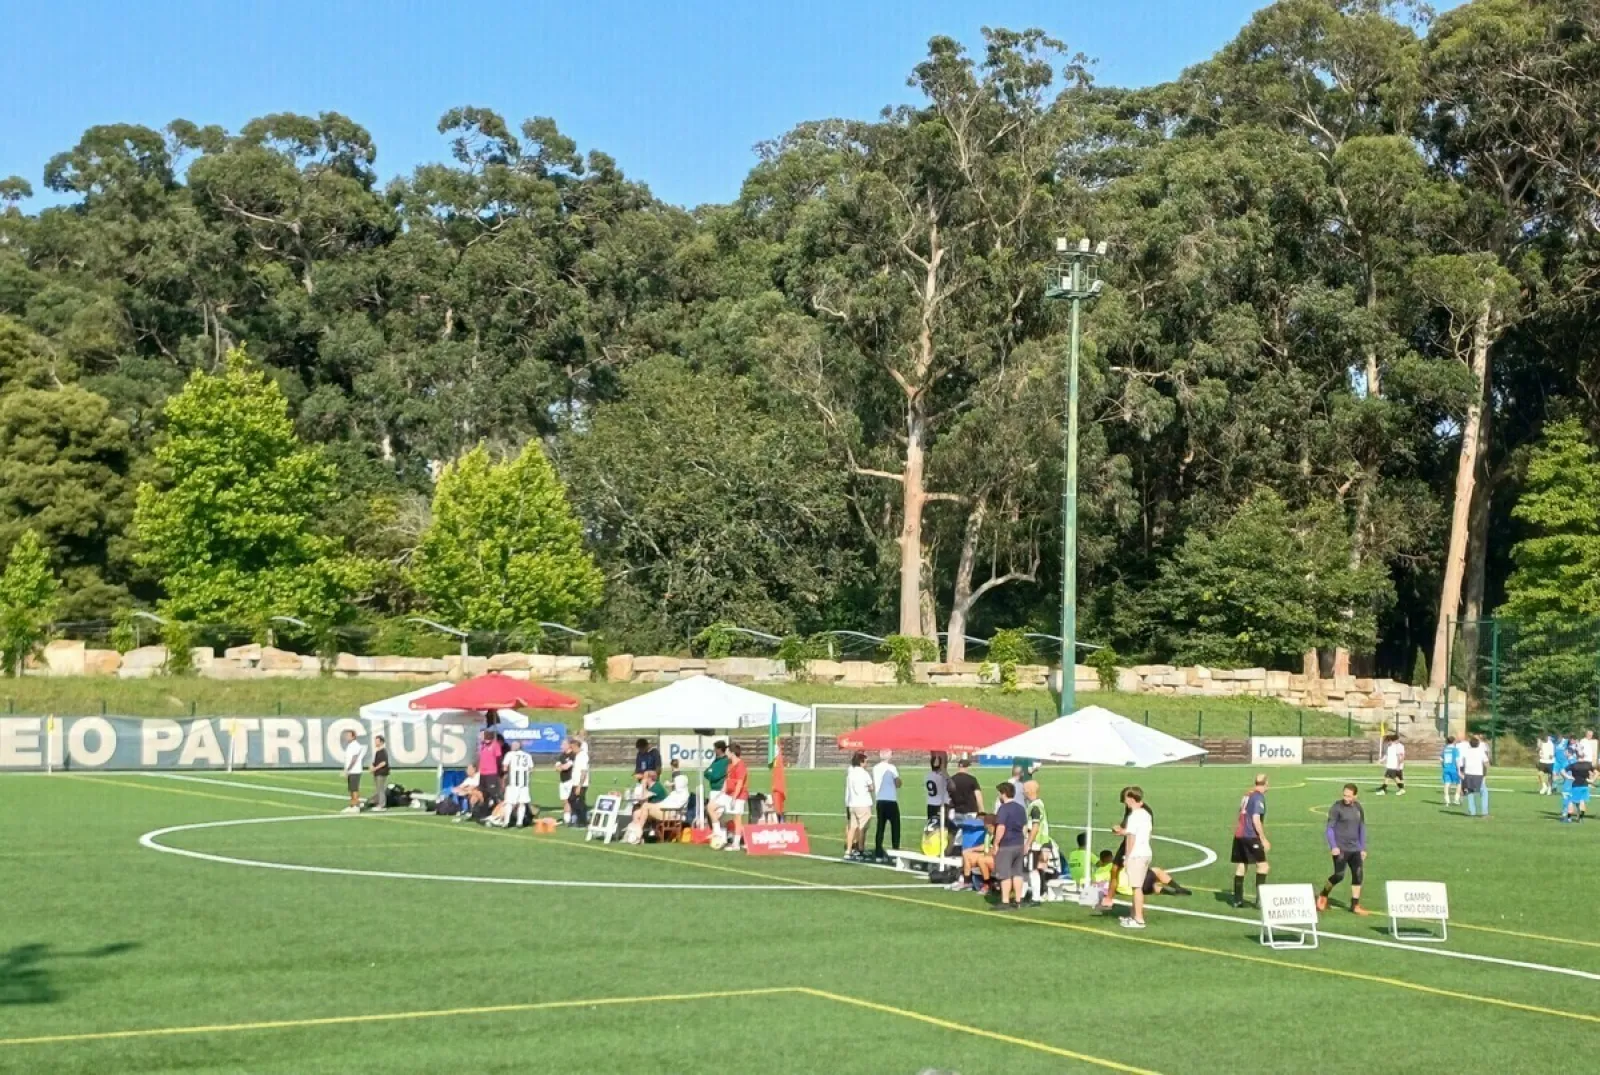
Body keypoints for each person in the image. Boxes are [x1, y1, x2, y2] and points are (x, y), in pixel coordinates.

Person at [1317, 784, 1370, 914]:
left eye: (1349, 796)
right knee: (1339, 875)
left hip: (1355, 848)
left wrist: (1363, 848)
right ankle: (1323, 894)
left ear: (1355, 796)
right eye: (1344, 795)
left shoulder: (1358, 808)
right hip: (1341, 849)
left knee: (1358, 875)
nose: (1346, 798)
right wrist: (1334, 846)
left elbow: (1362, 828)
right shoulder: (1337, 808)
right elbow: (1330, 828)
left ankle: (1355, 905)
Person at [1229, 774, 1271, 909]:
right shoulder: (1258, 797)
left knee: (1242, 865)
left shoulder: (1247, 794)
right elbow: (1255, 819)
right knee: (1263, 866)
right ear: (1265, 783)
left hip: (1239, 835)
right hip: (1250, 836)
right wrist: (1263, 839)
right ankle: (1260, 901)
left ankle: (1237, 900)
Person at [1120, 787, 1153, 929]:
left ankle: (1139, 919)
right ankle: (1133, 915)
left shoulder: (1134, 816)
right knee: (1136, 886)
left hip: (1136, 854)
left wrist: (1127, 857)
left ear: (1131, 799)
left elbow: (1131, 837)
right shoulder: (1146, 814)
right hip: (1145, 852)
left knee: (1136, 887)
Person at [992, 782, 1027, 912]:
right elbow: (1024, 827)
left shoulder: (1003, 809)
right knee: (1017, 873)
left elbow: (1001, 827)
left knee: (1005, 874)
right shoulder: (1021, 808)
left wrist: (996, 843)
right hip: (1019, 843)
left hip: (1007, 844)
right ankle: (1018, 900)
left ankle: (1005, 901)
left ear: (1004, 793)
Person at [1021, 780, 1053, 905]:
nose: (1023, 792)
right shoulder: (1035, 805)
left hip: (1036, 844)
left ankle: (1035, 898)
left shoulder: (1035, 807)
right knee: (1026, 869)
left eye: (1024, 789)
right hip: (1036, 842)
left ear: (1030, 790)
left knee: (1032, 870)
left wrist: (1028, 843)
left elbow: (1035, 827)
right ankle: (1022, 896)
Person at [844, 751, 875, 860]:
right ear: (861, 762)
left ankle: (848, 850)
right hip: (863, 803)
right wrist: (867, 789)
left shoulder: (851, 773)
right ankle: (860, 849)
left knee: (852, 827)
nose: (867, 764)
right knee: (863, 828)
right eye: (865, 761)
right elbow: (871, 787)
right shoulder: (864, 773)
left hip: (853, 804)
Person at [872, 750, 902, 858]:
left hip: (880, 800)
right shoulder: (891, 768)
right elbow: (897, 783)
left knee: (880, 827)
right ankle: (896, 849)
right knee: (895, 826)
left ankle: (878, 851)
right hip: (891, 800)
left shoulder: (875, 768)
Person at [952, 813, 994, 893]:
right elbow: (985, 846)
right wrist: (971, 849)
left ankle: (987, 885)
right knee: (966, 854)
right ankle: (967, 882)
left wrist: (987, 853)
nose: (984, 825)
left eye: (985, 823)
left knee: (981, 860)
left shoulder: (996, 833)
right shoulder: (988, 833)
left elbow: (995, 848)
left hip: (994, 856)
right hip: (986, 853)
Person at [722, 743, 750, 851]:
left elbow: (739, 783)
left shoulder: (741, 765)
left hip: (739, 795)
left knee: (737, 818)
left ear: (732, 753)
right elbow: (727, 780)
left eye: (728, 752)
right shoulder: (730, 765)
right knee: (715, 809)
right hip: (729, 794)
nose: (726, 754)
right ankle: (726, 836)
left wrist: (734, 798)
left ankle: (736, 843)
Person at [502, 742, 535, 828]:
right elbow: (531, 769)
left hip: (513, 783)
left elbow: (505, 768)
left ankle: (506, 822)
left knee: (509, 803)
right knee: (522, 803)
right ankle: (519, 822)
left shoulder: (510, 754)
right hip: (524, 784)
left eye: (512, 745)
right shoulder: (527, 755)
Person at [705, 740, 731, 840]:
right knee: (715, 813)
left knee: (717, 813)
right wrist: (711, 773)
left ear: (719, 749)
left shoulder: (725, 761)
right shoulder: (716, 760)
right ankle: (721, 836)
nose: (714, 750)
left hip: (720, 790)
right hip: (713, 789)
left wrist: (711, 774)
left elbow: (715, 775)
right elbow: (706, 772)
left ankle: (720, 834)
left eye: (715, 748)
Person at [1459, 734, 1491, 817]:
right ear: (1478, 744)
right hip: (1478, 775)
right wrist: (1487, 768)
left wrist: (1462, 773)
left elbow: (1461, 764)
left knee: (1470, 792)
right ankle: (1485, 812)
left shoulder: (1466, 752)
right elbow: (1486, 763)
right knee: (1484, 792)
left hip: (1468, 774)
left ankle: (1472, 811)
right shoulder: (1481, 752)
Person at [947, 755, 983, 820]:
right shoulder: (972, 779)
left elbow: (947, 797)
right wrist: (982, 811)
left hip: (956, 812)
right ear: (967, 767)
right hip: (971, 811)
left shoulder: (951, 780)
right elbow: (978, 796)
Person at [1561, 752, 1593, 823]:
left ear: (1576, 756)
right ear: (1584, 756)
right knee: (1582, 801)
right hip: (1585, 785)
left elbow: (1562, 771)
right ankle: (1581, 818)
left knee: (1571, 801)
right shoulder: (1588, 765)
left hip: (1575, 785)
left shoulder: (1573, 765)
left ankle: (1569, 818)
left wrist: (1568, 777)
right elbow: (1596, 772)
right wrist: (1592, 780)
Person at [477, 730, 505, 806]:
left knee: (493, 793)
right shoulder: (482, 745)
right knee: (483, 792)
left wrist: (499, 772)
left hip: (491, 773)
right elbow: (480, 758)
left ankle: (499, 807)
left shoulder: (495, 745)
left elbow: (499, 759)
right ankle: (485, 809)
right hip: (482, 773)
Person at [340, 730, 366, 813]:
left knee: (354, 789)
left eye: (348, 735)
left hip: (355, 771)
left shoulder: (356, 745)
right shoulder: (350, 745)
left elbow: (354, 759)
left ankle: (355, 806)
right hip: (351, 771)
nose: (346, 737)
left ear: (353, 736)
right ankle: (353, 804)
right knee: (351, 789)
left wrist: (347, 770)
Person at [570, 734, 591, 826]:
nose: (571, 750)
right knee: (573, 800)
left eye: (572, 747)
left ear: (576, 746)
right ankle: (582, 818)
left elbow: (584, 772)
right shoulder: (577, 755)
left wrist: (579, 785)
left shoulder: (583, 756)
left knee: (578, 802)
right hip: (575, 783)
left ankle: (583, 821)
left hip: (581, 784)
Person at [924, 753, 950, 825]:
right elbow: (952, 787)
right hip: (941, 805)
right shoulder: (942, 776)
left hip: (930, 804)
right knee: (943, 826)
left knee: (932, 826)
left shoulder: (927, 776)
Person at [555, 741, 576, 825]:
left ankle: (573, 818)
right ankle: (567, 819)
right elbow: (557, 768)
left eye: (563, 745)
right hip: (563, 781)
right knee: (565, 800)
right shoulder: (561, 756)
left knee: (571, 800)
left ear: (568, 745)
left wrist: (561, 767)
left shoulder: (573, 755)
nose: (561, 746)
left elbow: (566, 767)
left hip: (571, 780)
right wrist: (561, 767)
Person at [370, 734, 391, 812]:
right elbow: (375, 761)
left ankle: (382, 805)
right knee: (378, 789)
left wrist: (375, 768)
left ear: (381, 742)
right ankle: (379, 803)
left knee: (380, 789)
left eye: (377, 741)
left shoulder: (383, 751)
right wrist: (372, 766)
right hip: (377, 772)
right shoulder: (378, 751)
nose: (375, 742)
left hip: (381, 773)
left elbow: (383, 763)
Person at [1439, 735, 1462, 805]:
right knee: (1459, 783)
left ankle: (1447, 800)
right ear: (1454, 741)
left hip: (1446, 769)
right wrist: (1459, 770)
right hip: (1454, 769)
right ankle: (1456, 799)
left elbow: (1441, 759)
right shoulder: (1455, 750)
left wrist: (1443, 766)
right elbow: (1457, 761)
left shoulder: (1444, 749)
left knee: (1447, 784)